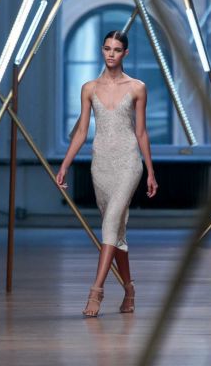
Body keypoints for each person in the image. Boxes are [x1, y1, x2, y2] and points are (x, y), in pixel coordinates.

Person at [56, 30, 158, 317]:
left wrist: (150, 172)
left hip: (129, 163)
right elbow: (81, 132)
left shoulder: (137, 87)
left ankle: (96, 291)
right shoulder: (89, 88)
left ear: (125, 53)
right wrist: (64, 165)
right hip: (100, 165)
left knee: (111, 223)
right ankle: (129, 290)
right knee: (117, 232)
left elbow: (141, 132)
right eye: (107, 48)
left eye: (116, 49)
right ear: (102, 50)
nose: (111, 54)